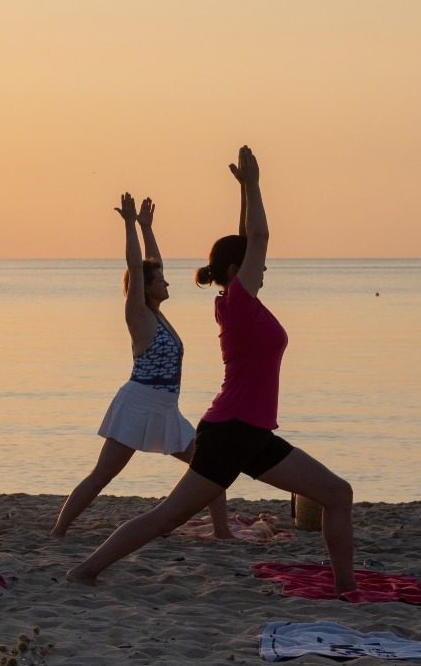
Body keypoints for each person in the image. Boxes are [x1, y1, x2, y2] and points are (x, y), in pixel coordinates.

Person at [68, 147, 355, 592]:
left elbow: (247, 239)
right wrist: (256, 185)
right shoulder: (238, 304)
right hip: (232, 432)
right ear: (238, 272)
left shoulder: (244, 304)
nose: (266, 268)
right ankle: (85, 570)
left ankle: (346, 589)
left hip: (251, 433)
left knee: (337, 494)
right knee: (167, 516)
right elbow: (257, 237)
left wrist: (242, 189)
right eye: (256, 265)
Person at [51, 196, 230, 538]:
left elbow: (151, 263)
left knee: (209, 467)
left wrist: (148, 228)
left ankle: (222, 533)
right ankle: (58, 531)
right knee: (102, 475)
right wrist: (129, 224)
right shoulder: (139, 317)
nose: (167, 282)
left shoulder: (159, 316)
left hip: (165, 409)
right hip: (137, 406)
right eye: (160, 280)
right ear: (146, 288)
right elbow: (137, 267)